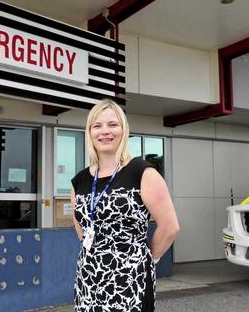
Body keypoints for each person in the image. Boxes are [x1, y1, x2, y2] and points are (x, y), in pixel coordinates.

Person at [70, 99, 180, 311]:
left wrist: (147, 260)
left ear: (123, 129)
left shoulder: (142, 172)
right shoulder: (79, 181)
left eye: (112, 124)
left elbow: (170, 227)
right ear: (89, 132)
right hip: (88, 278)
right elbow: (81, 229)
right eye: (97, 126)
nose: (105, 132)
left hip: (131, 280)